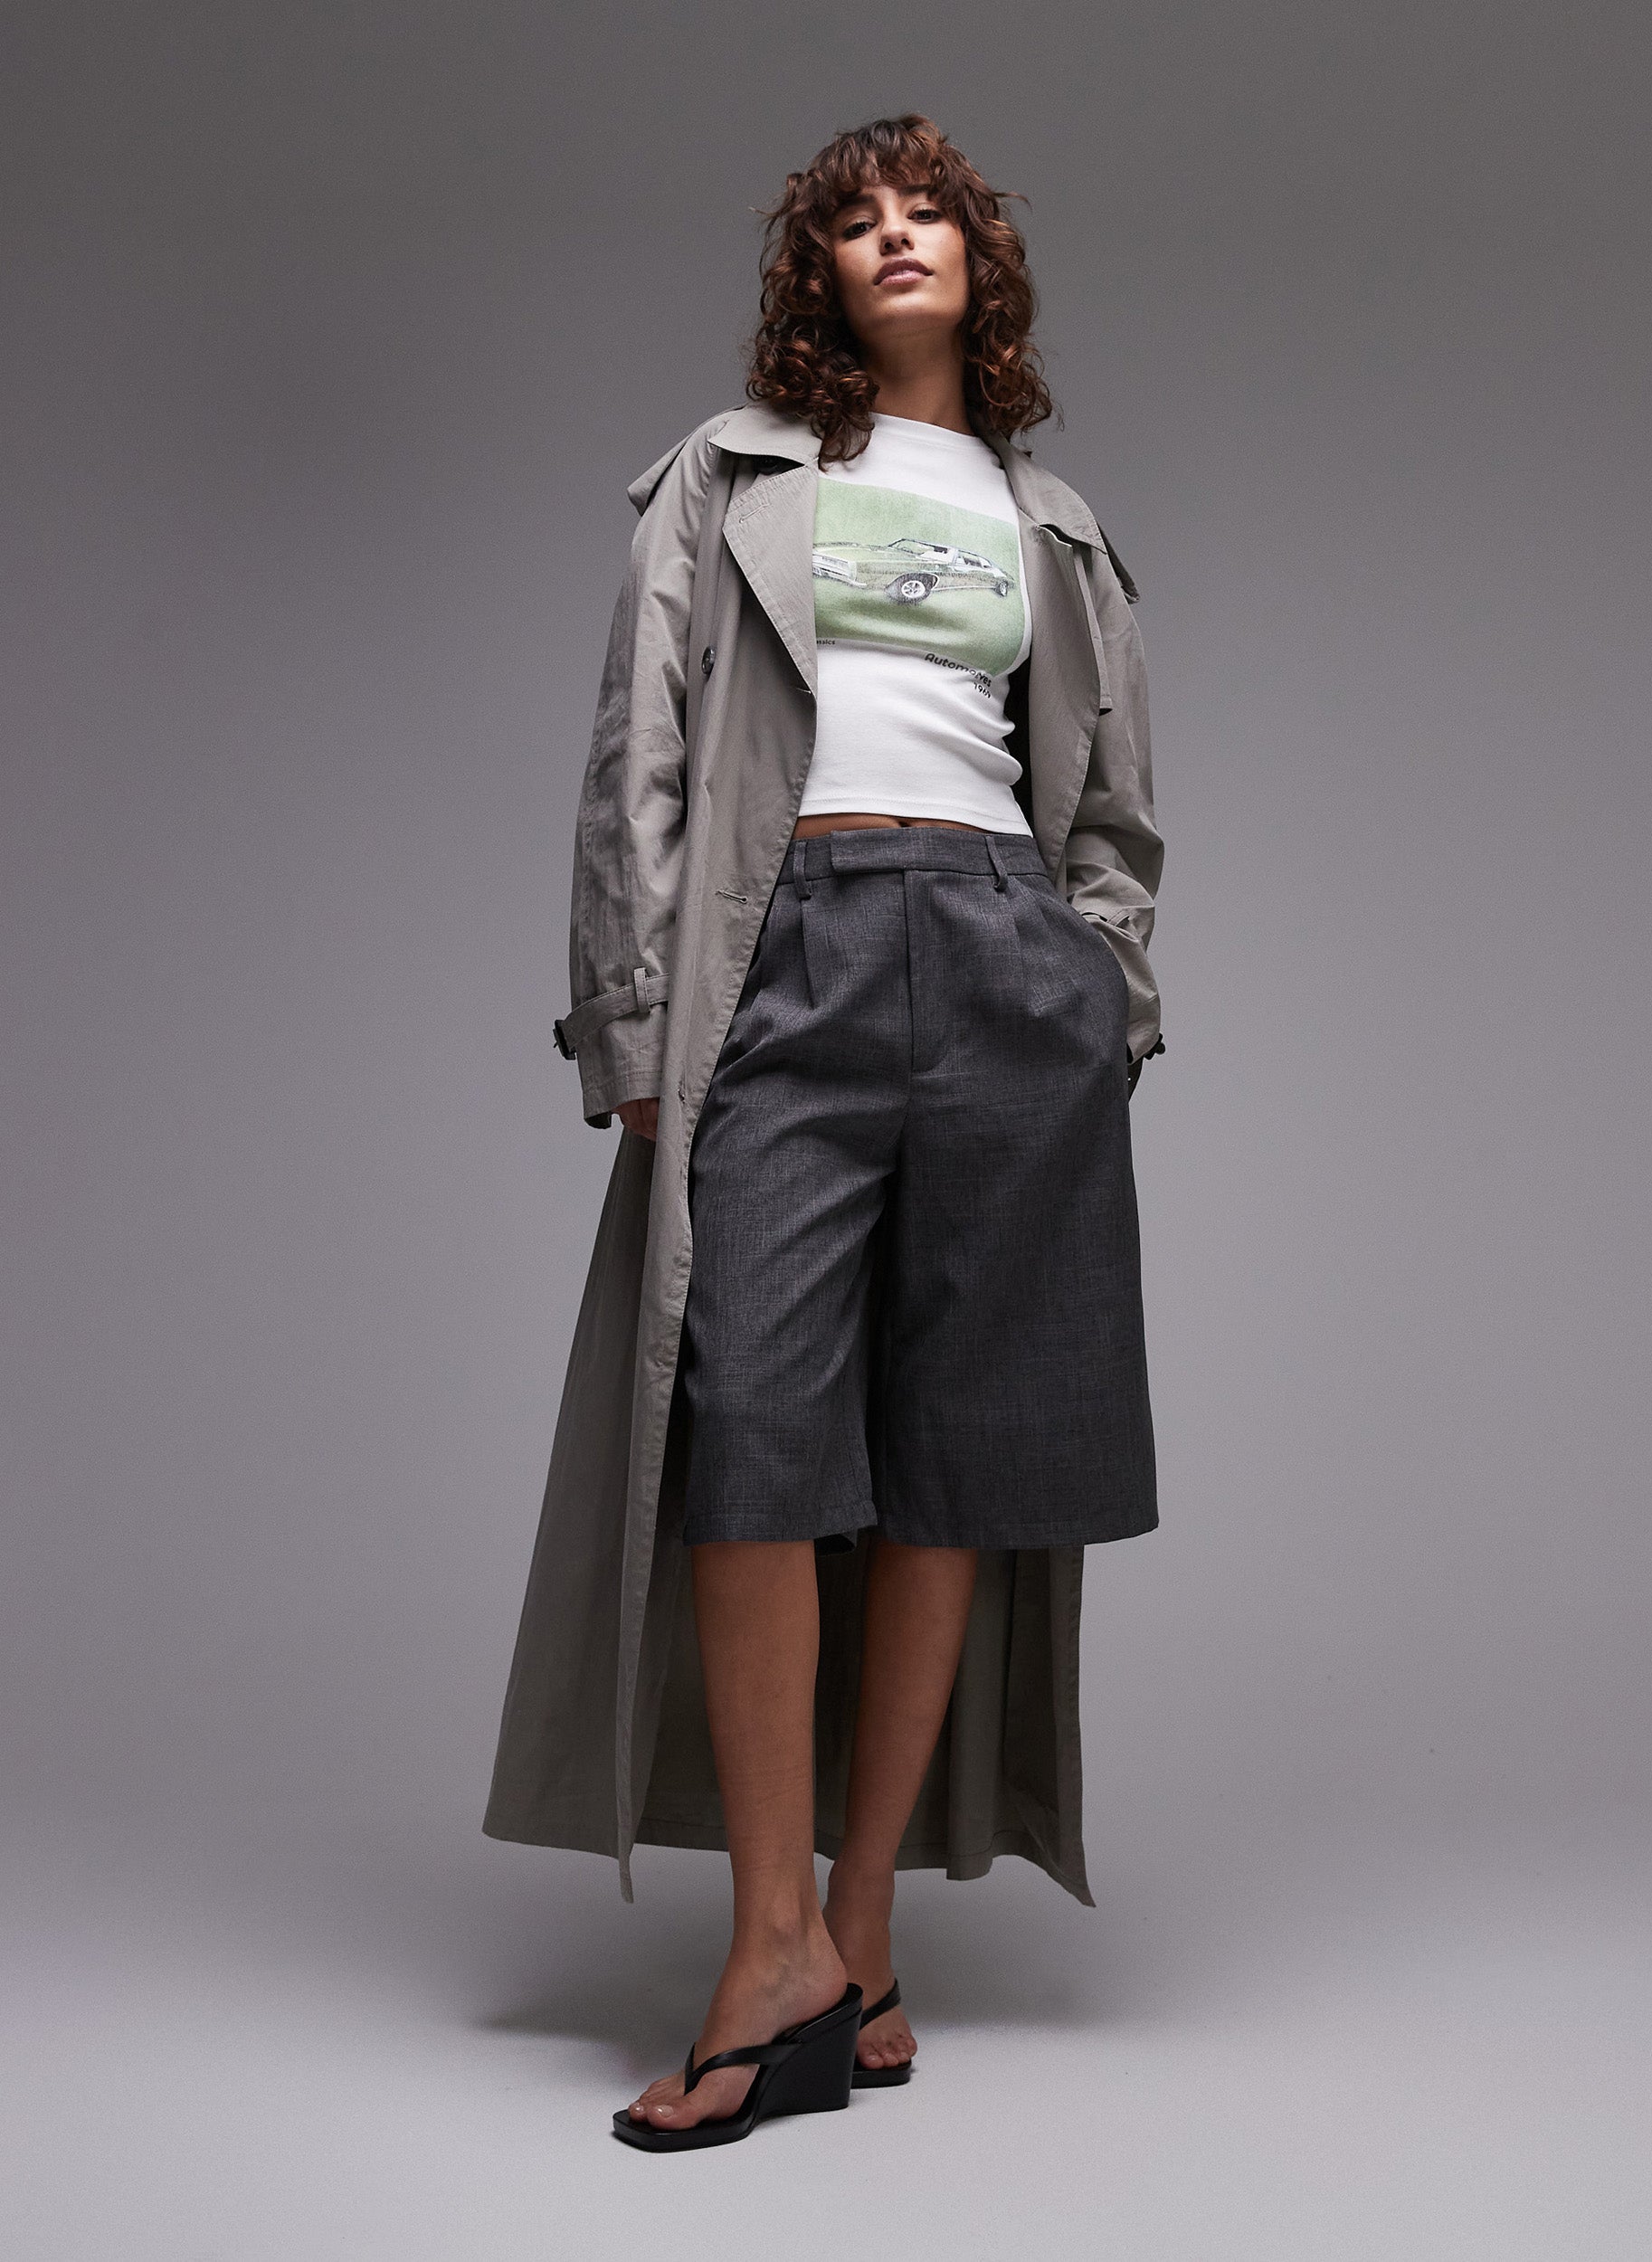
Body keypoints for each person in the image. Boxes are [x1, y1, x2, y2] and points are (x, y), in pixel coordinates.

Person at [482, 113, 1165, 2153]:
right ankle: (764, 1939)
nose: (894, 237)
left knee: (953, 1457)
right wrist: (632, 1017)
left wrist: (1102, 990)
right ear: (818, 277)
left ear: (979, 263)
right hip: (780, 948)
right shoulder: (726, 477)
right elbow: (638, 756)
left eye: (926, 211)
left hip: (1005, 954)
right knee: (752, 1435)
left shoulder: (1049, 520)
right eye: (855, 221)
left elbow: (1114, 808)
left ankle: (857, 1933)